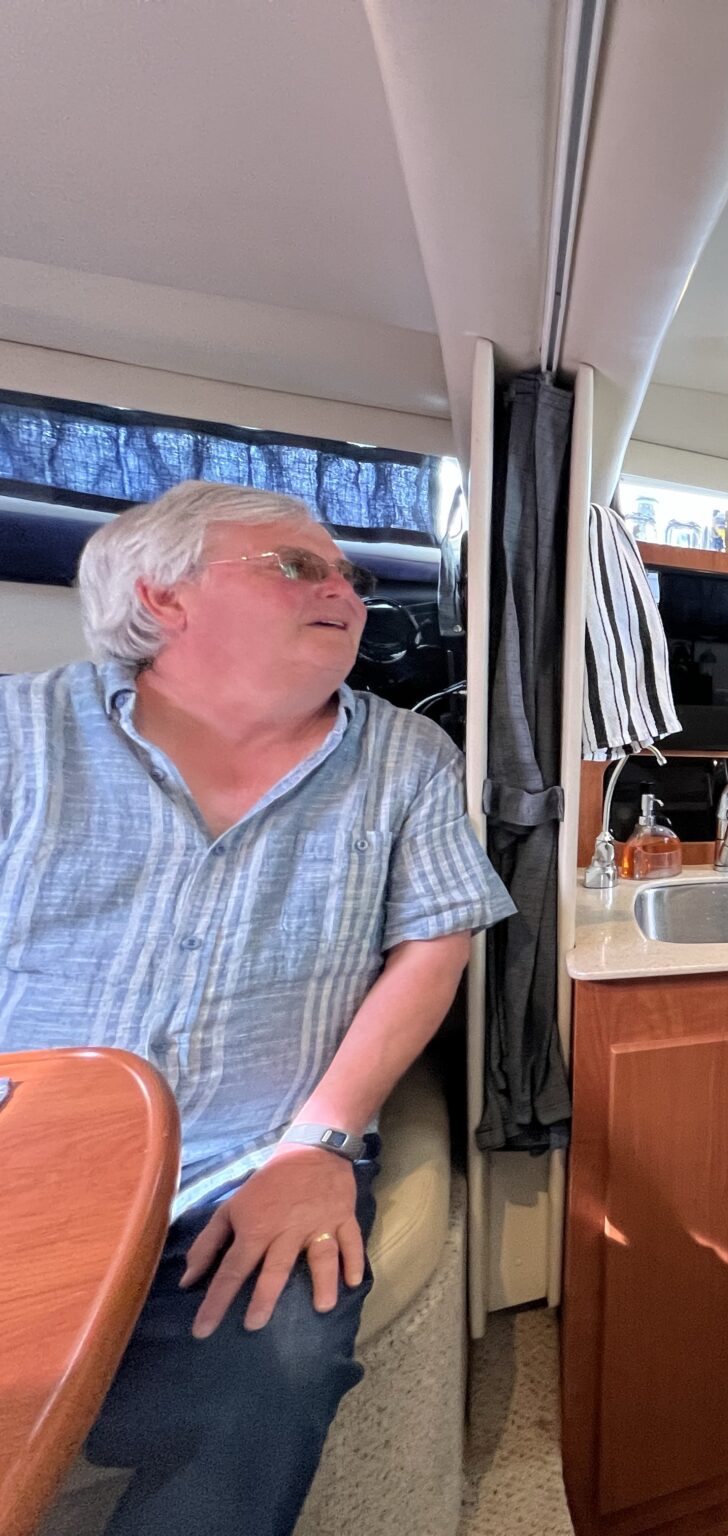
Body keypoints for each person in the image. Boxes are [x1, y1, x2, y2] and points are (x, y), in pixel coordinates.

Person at [0, 481, 515, 1535]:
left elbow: (434, 945)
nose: (346, 593)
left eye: (349, 576)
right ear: (163, 596)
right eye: (297, 566)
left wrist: (319, 1142)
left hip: (252, 1155)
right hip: (26, 1148)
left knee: (272, 1370)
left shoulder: (408, 757)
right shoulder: (21, 731)